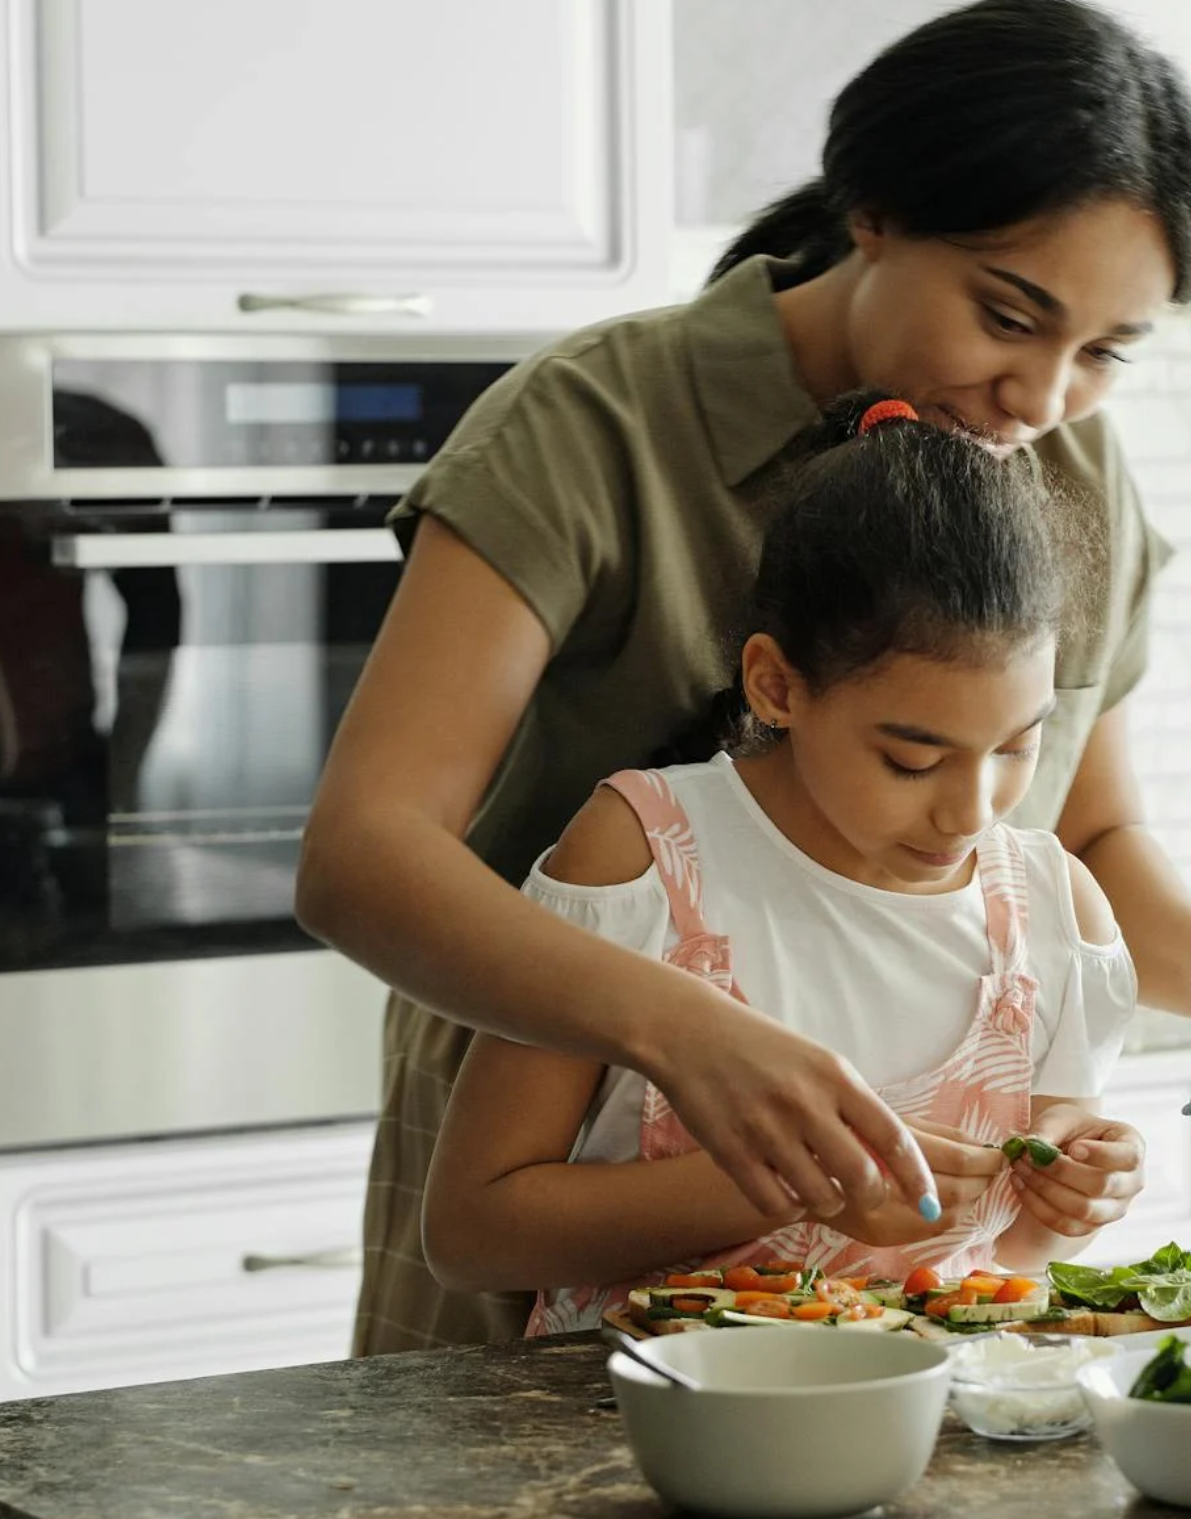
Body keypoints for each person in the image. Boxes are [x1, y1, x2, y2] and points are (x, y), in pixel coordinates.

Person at [296, 0, 1191, 1354]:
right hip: (558, 1173)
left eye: (1104, 353)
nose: (1045, 394)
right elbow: (363, 854)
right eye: (1009, 314)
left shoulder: (1067, 465)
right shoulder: (594, 423)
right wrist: (686, 1032)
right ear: (876, 214)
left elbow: (1082, 828)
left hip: (891, 1291)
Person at [422, 395, 1139, 1327]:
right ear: (776, 684)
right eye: (912, 759)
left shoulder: (1053, 911)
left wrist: (1072, 1200)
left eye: (1017, 746)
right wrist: (791, 1186)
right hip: (637, 1436)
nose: (972, 809)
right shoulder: (645, 857)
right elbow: (472, 1231)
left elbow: (1014, 1260)